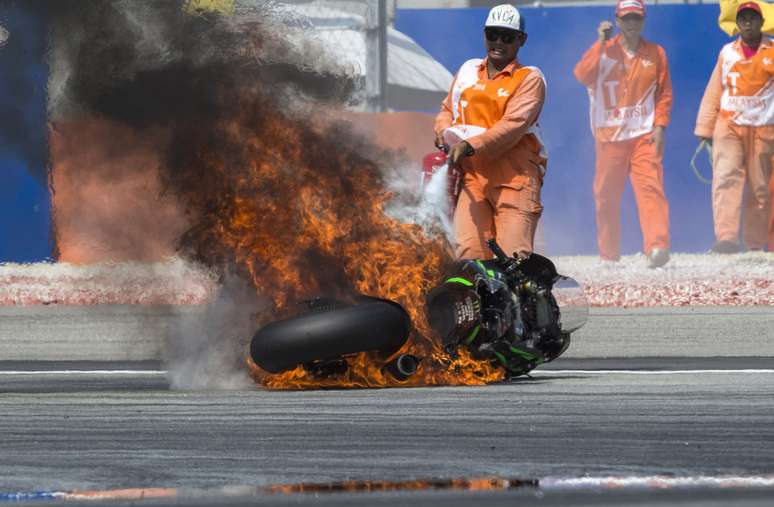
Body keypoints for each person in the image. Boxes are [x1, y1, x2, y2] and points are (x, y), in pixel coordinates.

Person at [433, 3, 547, 260]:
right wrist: (442, 132)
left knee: (514, 260)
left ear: (521, 40)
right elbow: (446, 110)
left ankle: (523, 302)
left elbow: (512, 127)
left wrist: (468, 145)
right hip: (473, 180)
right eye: (492, 34)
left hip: (515, 180)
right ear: (484, 34)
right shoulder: (467, 71)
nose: (498, 42)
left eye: (507, 37)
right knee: (469, 256)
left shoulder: (530, 79)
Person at [574, 0, 672, 268]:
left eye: (636, 19)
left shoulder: (656, 53)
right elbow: (582, 75)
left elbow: (664, 94)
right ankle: (609, 254)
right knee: (605, 196)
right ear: (617, 21)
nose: (632, 24)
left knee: (651, 188)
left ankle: (657, 246)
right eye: (626, 19)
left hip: (644, 134)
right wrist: (600, 43)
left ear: (643, 21)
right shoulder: (604, 49)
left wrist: (661, 126)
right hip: (609, 136)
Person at [696, 1, 774, 253]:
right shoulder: (727, 52)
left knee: (760, 188)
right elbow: (714, 91)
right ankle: (727, 239)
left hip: (764, 128)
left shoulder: (772, 50)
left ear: (762, 22)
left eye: (753, 18)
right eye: (743, 19)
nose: (748, 23)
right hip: (729, 125)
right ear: (737, 24)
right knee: (725, 178)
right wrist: (705, 128)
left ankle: (754, 244)